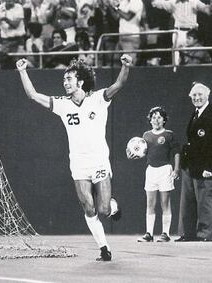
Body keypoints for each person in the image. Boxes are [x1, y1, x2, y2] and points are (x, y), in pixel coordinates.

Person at [16, 54, 133, 261]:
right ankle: (104, 248)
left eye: (69, 79)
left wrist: (125, 66)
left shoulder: (98, 99)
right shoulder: (62, 104)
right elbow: (33, 95)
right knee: (89, 208)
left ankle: (113, 206)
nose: (65, 83)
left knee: (104, 209)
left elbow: (120, 83)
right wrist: (22, 71)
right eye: (64, 80)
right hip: (78, 164)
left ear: (80, 81)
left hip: (98, 161)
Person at [176, 82, 212, 242]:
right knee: (188, 200)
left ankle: (205, 234)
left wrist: (210, 166)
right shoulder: (195, 114)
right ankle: (187, 233)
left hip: (204, 165)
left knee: (204, 200)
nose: (196, 98)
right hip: (189, 164)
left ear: (207, 96)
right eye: (194, 95)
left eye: (199, 95)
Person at [127, 107, 180, 242]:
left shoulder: (169, 135)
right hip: (151, 171)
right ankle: (149, 234)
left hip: (165, 171)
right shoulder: (145, 136)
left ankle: (165, 234)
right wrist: (131, 155)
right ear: (150, 120)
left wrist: (176, 169)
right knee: (150, 203)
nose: (156, 120)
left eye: (159, 117)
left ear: (164, 120)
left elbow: (176, 153)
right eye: (154, 117)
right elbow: (140, 152)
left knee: (165, 203)